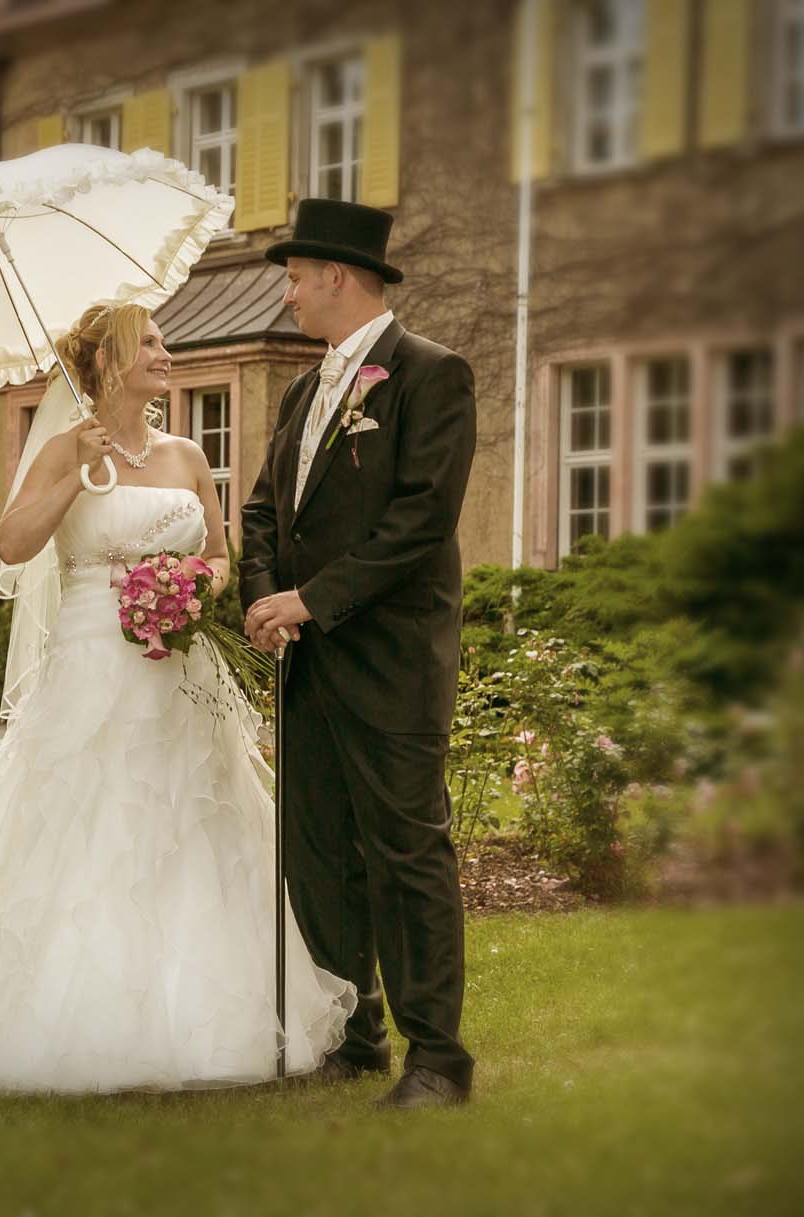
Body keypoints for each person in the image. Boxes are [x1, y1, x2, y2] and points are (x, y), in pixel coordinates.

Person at [0, 302, 355, 1094]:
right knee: (98, 825)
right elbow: (13, 544)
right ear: (110, 363)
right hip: (91, 669)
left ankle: (208, 1024)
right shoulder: (65, 448)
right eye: (148, 342)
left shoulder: (187, 454)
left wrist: (188, 588)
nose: (165, 351)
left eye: (162, 340)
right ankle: (85, 1023)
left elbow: (218, 554)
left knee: (193, 820)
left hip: (178, 671)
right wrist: (73, 474)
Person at [240, 198, 478, 1109]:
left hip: (391, 661)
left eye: (297, 279)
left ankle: (439, 1059)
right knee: (320, 855)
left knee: (406, 855)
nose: (289, 295)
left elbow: (422, 519)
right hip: (308, 661)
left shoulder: (431, 374)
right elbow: (265, 508)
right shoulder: (303, 391)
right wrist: (265, 598)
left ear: (336, 276)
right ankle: (354, 1033)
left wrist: (312, 598)